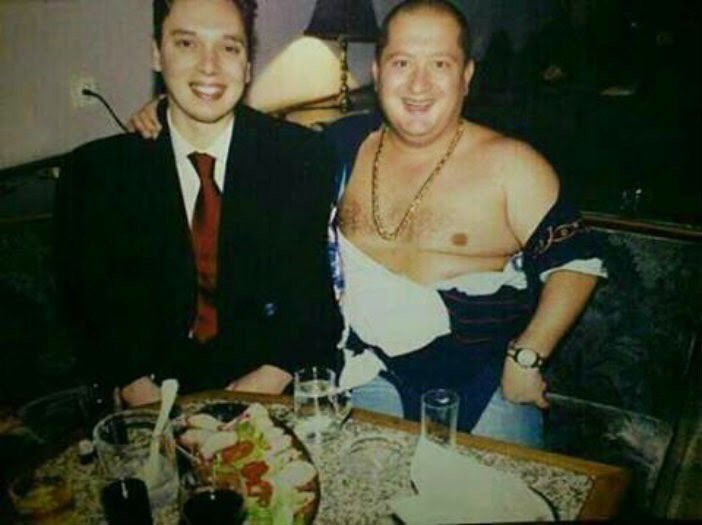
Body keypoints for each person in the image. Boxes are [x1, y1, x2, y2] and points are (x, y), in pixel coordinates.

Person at [128, 0, 606, 448]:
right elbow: (249, 139)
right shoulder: (338, 146)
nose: (418, 85)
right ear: (377, 73)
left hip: (483, 382)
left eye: (439, 64)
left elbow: (577, 262)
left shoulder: (512, 165)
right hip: (367, 376)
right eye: (401, 63)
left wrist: (528, 356)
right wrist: (171, 112)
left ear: (466, 76)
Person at [54, 0, 341, 407]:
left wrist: (264, 383)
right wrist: (138, 391)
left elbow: (312, 303)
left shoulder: (301, 159)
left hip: (268, 391)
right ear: (157, 53)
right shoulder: (97, 173)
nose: (209, 66)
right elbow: (90, 307)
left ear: (247, 64)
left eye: (229, 47)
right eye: (186, 43)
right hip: (148, 399)